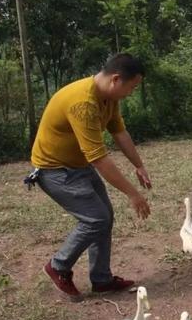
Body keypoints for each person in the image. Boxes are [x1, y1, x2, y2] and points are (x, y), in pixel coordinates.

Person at [31, 53, 151, 301]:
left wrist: (138, 165)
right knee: (96, 219)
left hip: (78, 166)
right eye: (132, 86)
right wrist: (132, 194)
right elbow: (99, 158)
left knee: (104, 218)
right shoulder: (84, 103)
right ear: (116, 79)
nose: (132, 92)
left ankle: (102, 279)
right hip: (55, 170)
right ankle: (58, 266)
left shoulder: (108, 97)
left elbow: (119, 132)